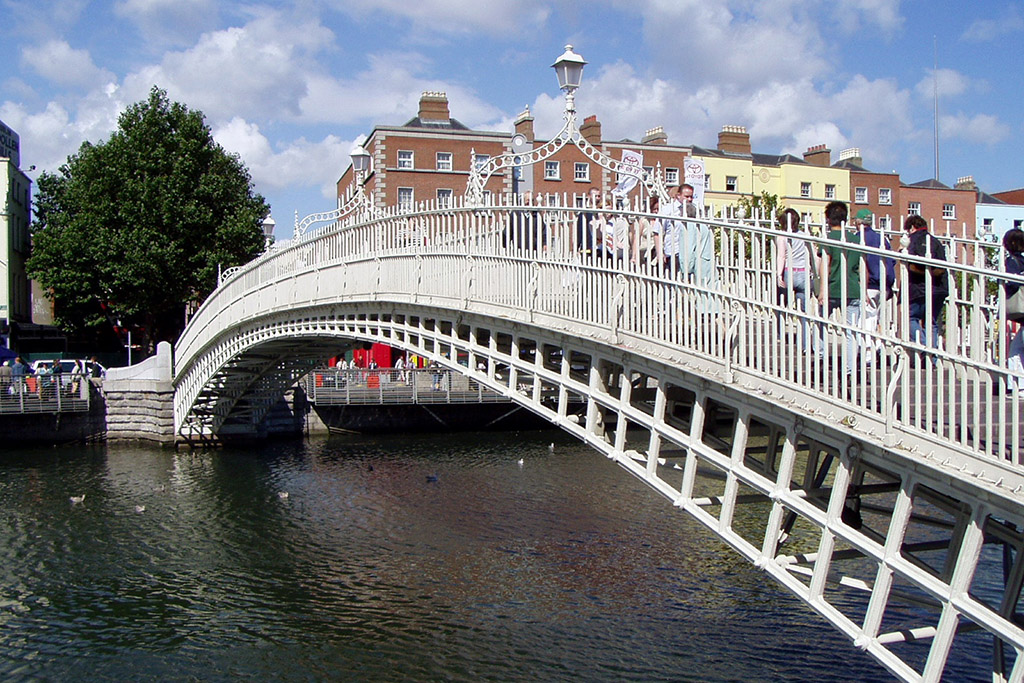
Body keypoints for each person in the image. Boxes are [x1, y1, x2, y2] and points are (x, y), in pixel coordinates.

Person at [818, 200, 862, 375]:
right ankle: (850, 369)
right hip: (853, 289)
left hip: (833, 288)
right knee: (851, 332)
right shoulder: (856, 240)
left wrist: (822, 289)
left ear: (828, 219)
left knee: (820, 324)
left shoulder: (828, 239)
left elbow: (825, 264)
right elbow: (862, 266)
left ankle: (821, 357)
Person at [853, 209, 895, 362]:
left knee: (867, 319)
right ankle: (876, 347)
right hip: (883, 284)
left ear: (859, 223)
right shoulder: (882, 239)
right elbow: (891, 261)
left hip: (867, 284)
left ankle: (869, 354)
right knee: (876, 318)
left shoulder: (858, 238)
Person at [903, 214, 948, 350]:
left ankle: (924, 346)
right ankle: (932, 356)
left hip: (918, 289)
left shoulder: (912, 241)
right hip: (939, 288)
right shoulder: (936, 241)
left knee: (911, 318)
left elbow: (911, 264)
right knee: (932, 323)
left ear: (912, 227)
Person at [775, 208, 816, 349]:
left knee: (782, 305)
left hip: (788, 272)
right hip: (804, 273)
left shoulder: (781, 236)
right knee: (803, 311)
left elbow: (781, 256)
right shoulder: (805, 235)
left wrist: (778, 274)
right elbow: (813, 254)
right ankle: (805, 343)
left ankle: (780, 334)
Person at [1002, 228, 1024, 391]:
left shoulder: (1012, 261)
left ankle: (1018, 386)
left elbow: (1013, 283)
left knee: (1018, 348)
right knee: (1016, 349)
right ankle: (1016, 385)